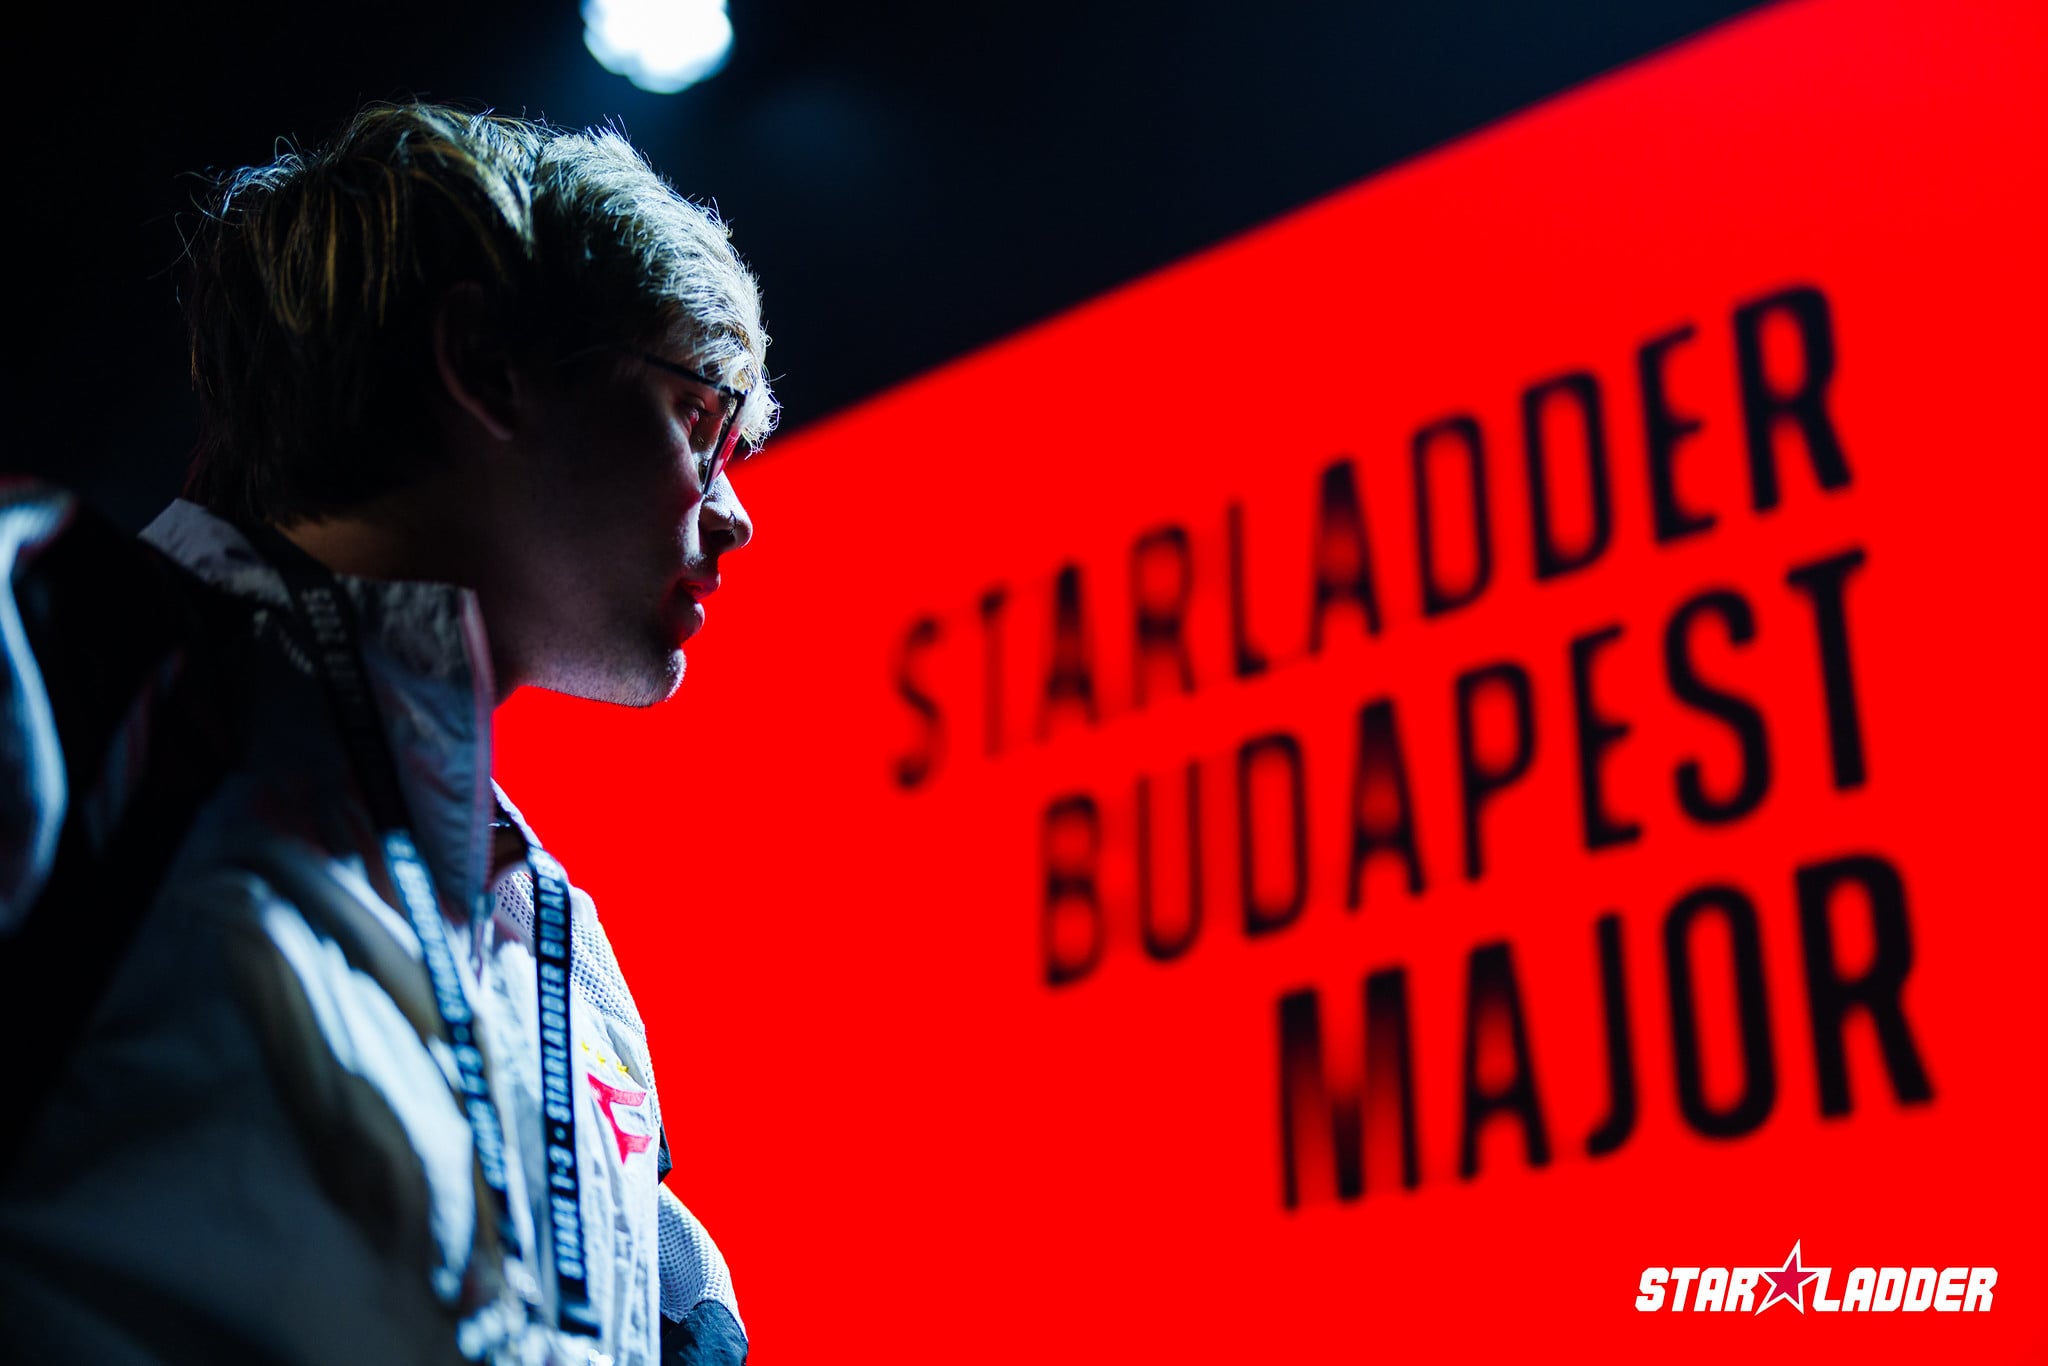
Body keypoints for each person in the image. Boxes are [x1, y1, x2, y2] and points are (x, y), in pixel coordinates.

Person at [0, 102, 769, 1365]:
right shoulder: (53, 644)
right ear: (486, 364)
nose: (734, 511)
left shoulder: (567, 965)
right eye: (698, 421)